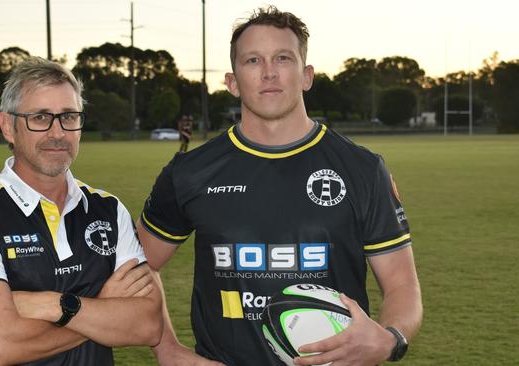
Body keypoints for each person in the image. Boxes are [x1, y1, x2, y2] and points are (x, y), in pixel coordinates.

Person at [137, 6, 422, 366]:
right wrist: (167, 349)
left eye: (282, 58)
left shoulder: (362, 169)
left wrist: (389, 338)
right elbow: (138, 267)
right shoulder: (190, 173)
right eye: (253, 60)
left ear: (306, 76)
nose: (269, 72)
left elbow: (401, 284)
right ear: (232, 81)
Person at [0, 57, 162, 366]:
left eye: (69, 116)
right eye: (40, 117)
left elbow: (147, 324)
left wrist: (57, 305)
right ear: (8, 126)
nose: (58, 132)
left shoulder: (109, 210)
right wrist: (102, 307)